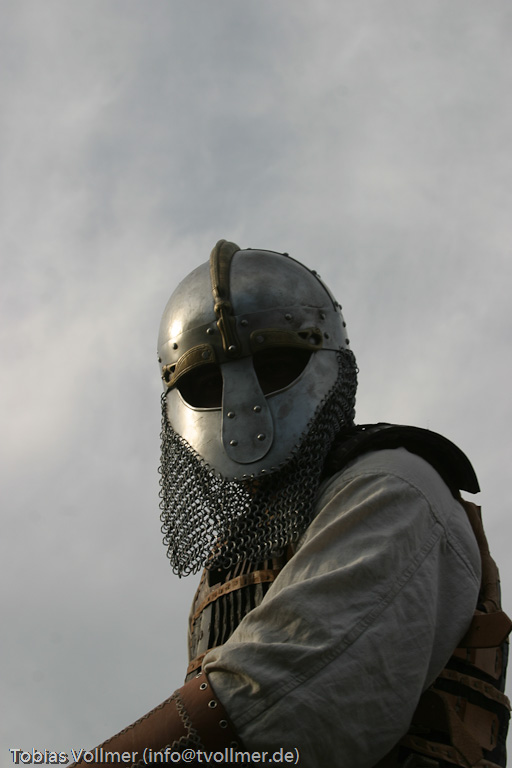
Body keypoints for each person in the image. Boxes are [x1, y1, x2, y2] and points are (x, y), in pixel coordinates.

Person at [69, 240, 510, 767]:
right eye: (207, 381)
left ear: (330, 362)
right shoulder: (237, 554)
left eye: (276, 363)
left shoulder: (395, 487)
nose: (243, 404)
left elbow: (276, 708)